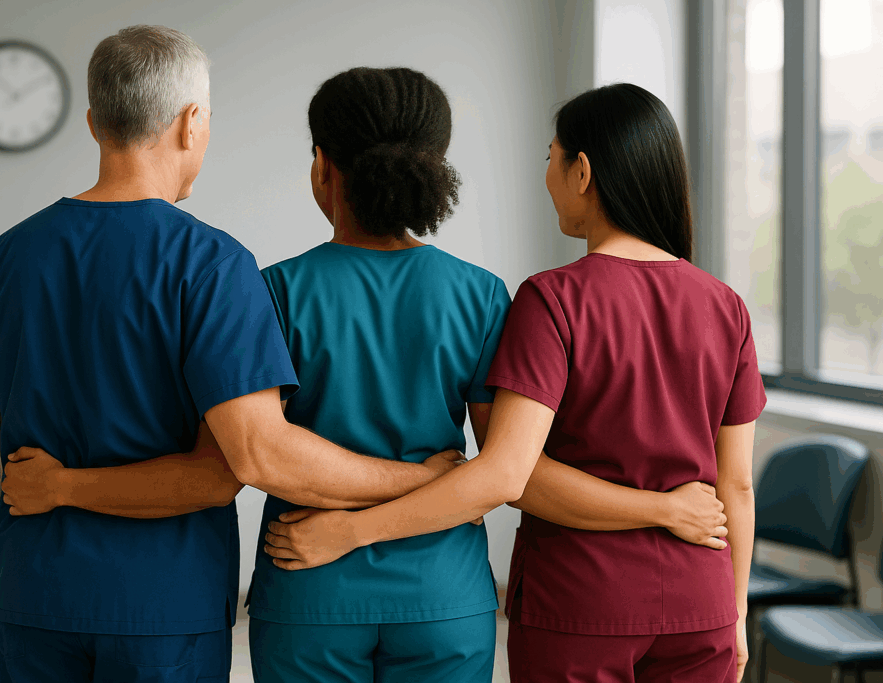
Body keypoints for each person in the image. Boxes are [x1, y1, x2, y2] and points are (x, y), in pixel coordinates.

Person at [1, 71, 730, 683]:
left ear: (324, 167)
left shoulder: (274, 289)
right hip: (445, 596)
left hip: (308, 582)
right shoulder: (481, 293)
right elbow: (505, 465)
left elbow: (253, 451)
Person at [0, 26, 464, 683]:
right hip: (165, 609)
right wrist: (433, 478)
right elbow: (249, 459)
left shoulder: (6, 257)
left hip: (36, 598)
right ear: (193, 123)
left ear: (96, 122)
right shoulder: (212, 264)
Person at [267, 83, 764, 683]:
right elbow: (734, 485)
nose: (546, 175)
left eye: (550, 158)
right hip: (458, 594)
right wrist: (732, 608)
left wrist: (349, 528)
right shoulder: (485, 293)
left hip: (329, 584)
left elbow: (510, 471)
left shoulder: (276, 290)